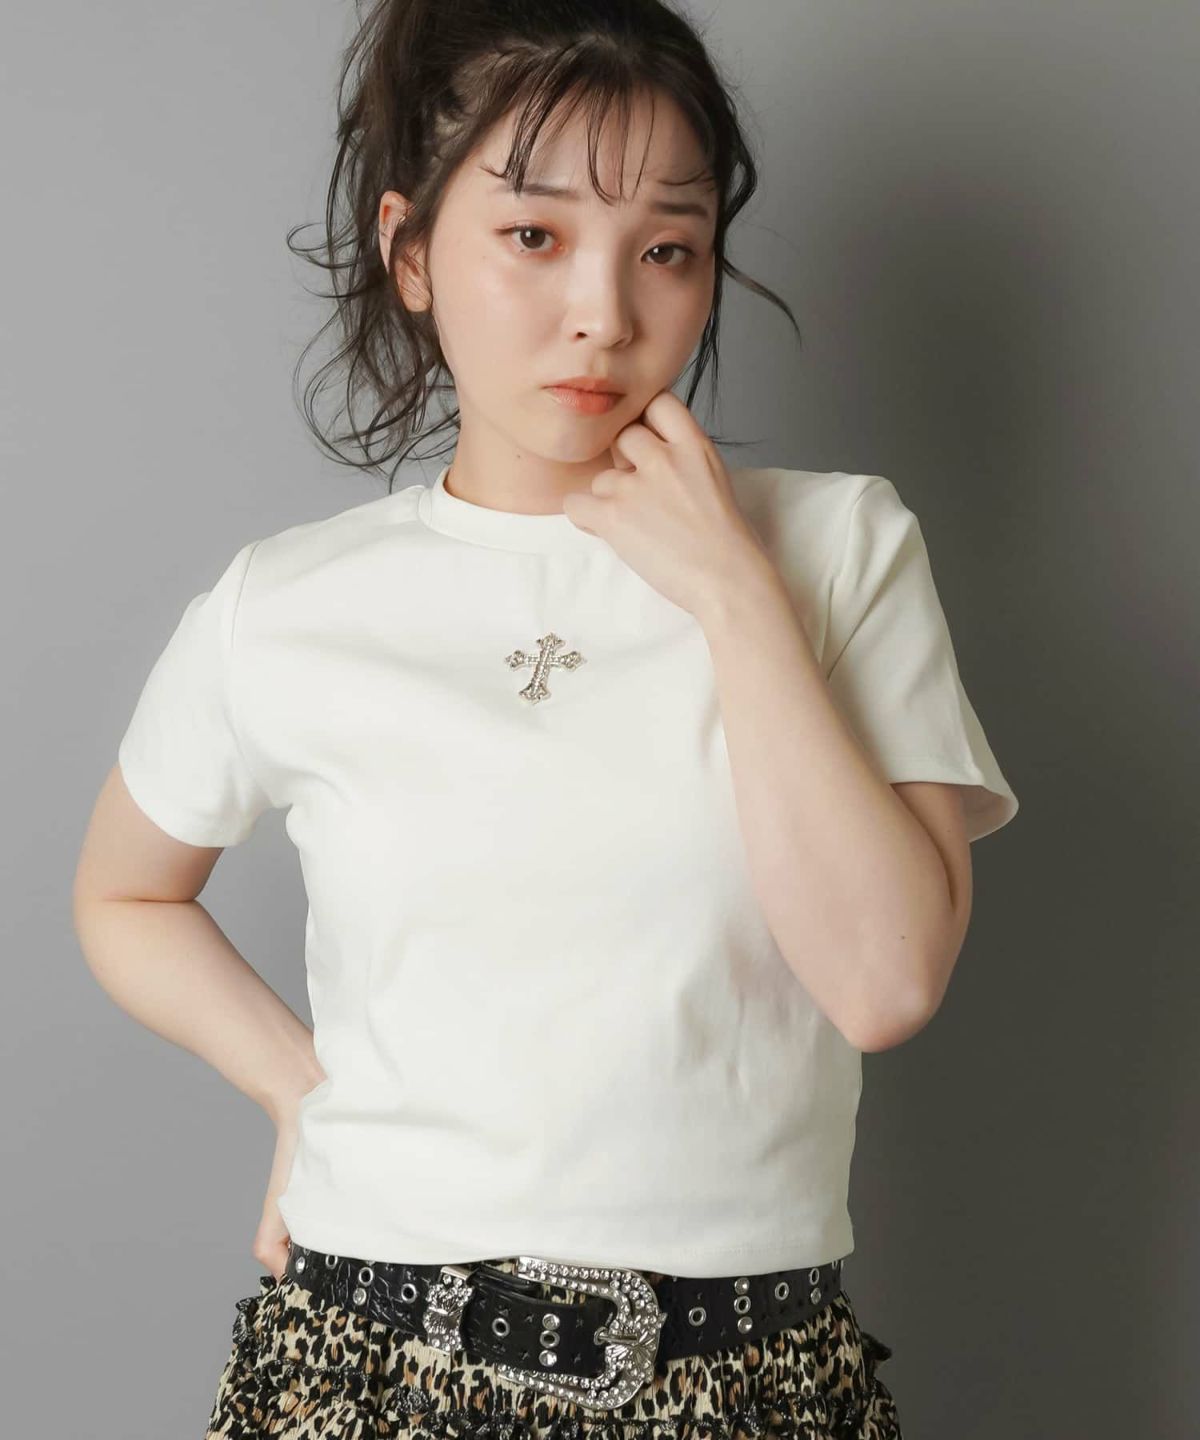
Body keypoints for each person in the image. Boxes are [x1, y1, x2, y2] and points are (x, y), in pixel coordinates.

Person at [73, 2, 1019, 1437]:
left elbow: (885, 982)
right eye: (534, 235)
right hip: (364, 1364)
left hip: (750, 1380)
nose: (606, 312)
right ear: (410, 252)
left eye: (666, 249)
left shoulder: (838, 552)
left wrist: (733, 593)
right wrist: (298, 1094)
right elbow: (124, 894)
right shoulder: (287, 605)